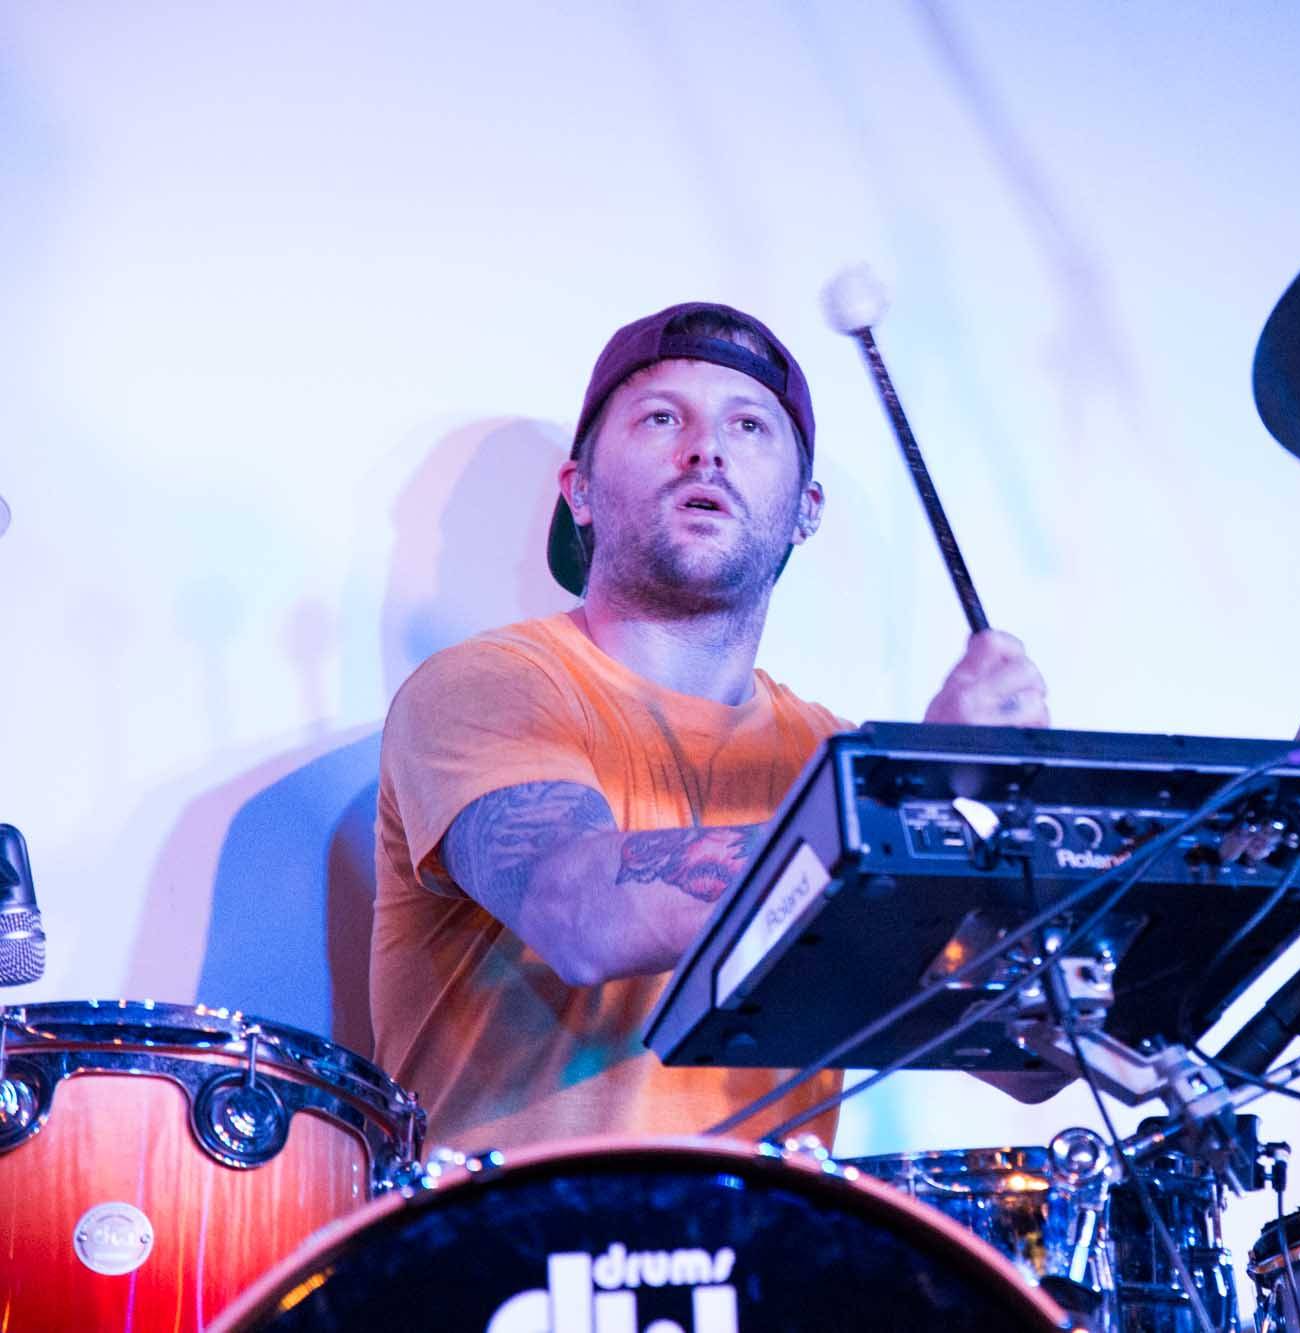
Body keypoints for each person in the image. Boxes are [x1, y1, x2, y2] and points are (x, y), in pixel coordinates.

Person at [369, 302, 1049, 1152]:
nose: (706, 450)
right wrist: (913, 795)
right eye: (661, 418)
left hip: (770, 1229)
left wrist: (1041, 851)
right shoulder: (491, 685)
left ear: (805, 511)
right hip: (512, 1227)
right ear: (580, 491)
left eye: (749, 425)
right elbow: (581, 915)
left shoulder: (833, 761)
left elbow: (1032, 1062)